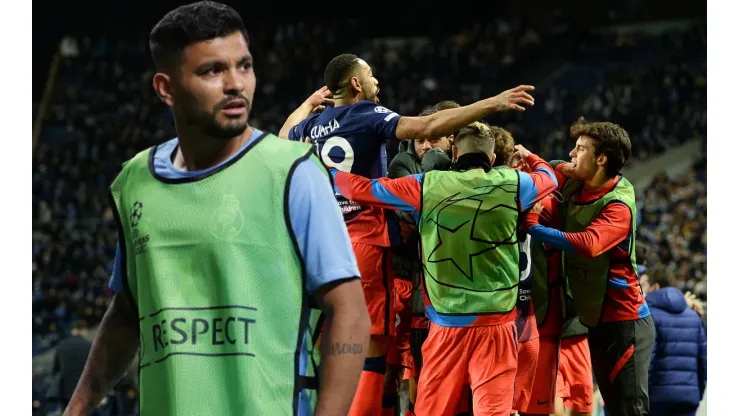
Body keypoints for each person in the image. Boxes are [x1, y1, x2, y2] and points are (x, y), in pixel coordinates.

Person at [63, 3, 371, 415]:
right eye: (212, 71)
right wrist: (77, 408)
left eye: (244, 66)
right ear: (166, 88)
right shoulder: (134, 182)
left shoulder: (295, 172)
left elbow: (349, 312)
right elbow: (126, 312)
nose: (235, 84)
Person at [279, 52, 536, 416]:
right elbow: (426, 128)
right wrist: (491, 104)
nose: (376, 82)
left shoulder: (312, 124)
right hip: (364, 243)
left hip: (319, 245)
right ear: (356, 84)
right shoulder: (365, 115)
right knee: (370, 354)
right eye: (370, 75)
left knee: (332, 350)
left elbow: (283, 134)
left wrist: (307, 104)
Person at [327, 122, 557, 415]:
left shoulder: (426, 185)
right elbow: (549, 178)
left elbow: (363, 189)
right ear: (491, 159)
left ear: (455, 153)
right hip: (498, 326)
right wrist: (532, 157)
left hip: (447, 327)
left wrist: (328, 171)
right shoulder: (515, 184)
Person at [526, 118, 655, 416]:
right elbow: (553, 166)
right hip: (596, 321)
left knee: (631, 409)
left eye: (580, 149)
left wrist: (532, 226)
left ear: (601, 159)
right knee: (613, 407)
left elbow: (589, 243)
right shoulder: (578, 186)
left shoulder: (618, 205)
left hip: (625, 323)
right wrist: (531, 158)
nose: (572, 154)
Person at [385, 102, 458, 416]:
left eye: (434, 137)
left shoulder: (463, 167)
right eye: (420, 139)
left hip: (452, 284)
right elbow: (414, 215)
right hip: (408, 281)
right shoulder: (403, 162)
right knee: (402, 368)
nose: (427, 145)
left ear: (451, 140)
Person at [641, 265, 707, 416]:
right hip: (688, 398)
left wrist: (643, 398)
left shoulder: (649, 316)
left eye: (644, 286)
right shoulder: (693, 317)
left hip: (657, 399)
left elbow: (648, 362)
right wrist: (698, 395)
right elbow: (703, 361)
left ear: (655, 286)